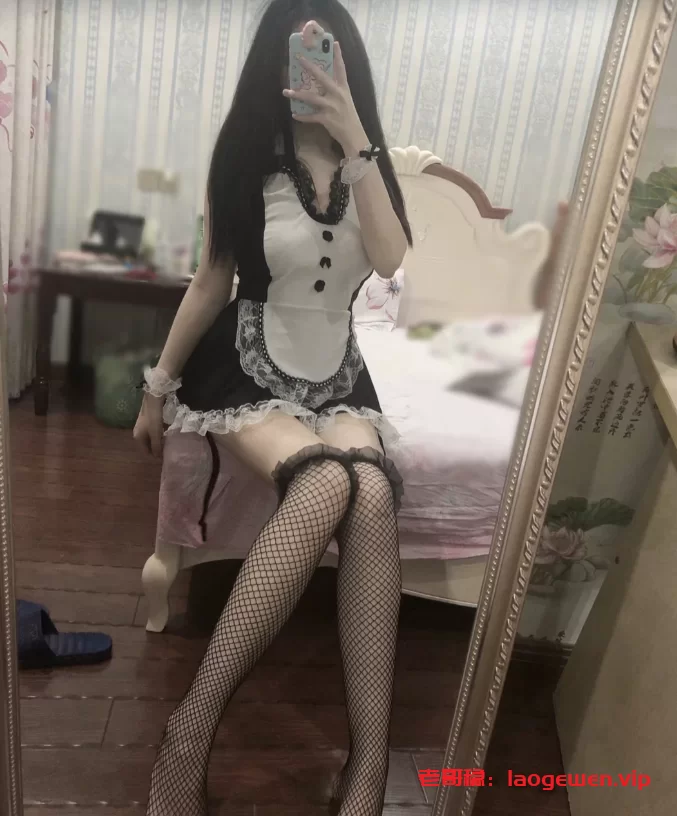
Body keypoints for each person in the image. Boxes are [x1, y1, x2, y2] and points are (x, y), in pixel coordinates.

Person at [133, 2, 412, 814]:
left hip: (338, 370)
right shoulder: (245, 157)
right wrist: (156, 388)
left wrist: (355, 136)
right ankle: (189, 731)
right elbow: (211, 280)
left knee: (371, 489)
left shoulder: (368, 160)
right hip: (245, 361)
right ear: (272, 65)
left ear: (347, 63)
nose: (312, 70)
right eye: (298, 56)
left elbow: (389, 259)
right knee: (326, 482)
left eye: (328, 55)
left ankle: (368, 763)